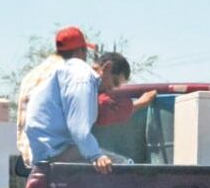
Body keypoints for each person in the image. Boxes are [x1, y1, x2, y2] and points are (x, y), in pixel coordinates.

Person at [15, 27, 156, 170]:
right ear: (106, 68)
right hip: (54, 150)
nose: (112, 89)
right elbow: (79, 128)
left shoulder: (56, 71)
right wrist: (96, 156)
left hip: (41, 149)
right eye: (114, 83)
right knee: (125, 165)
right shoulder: (82, 77)